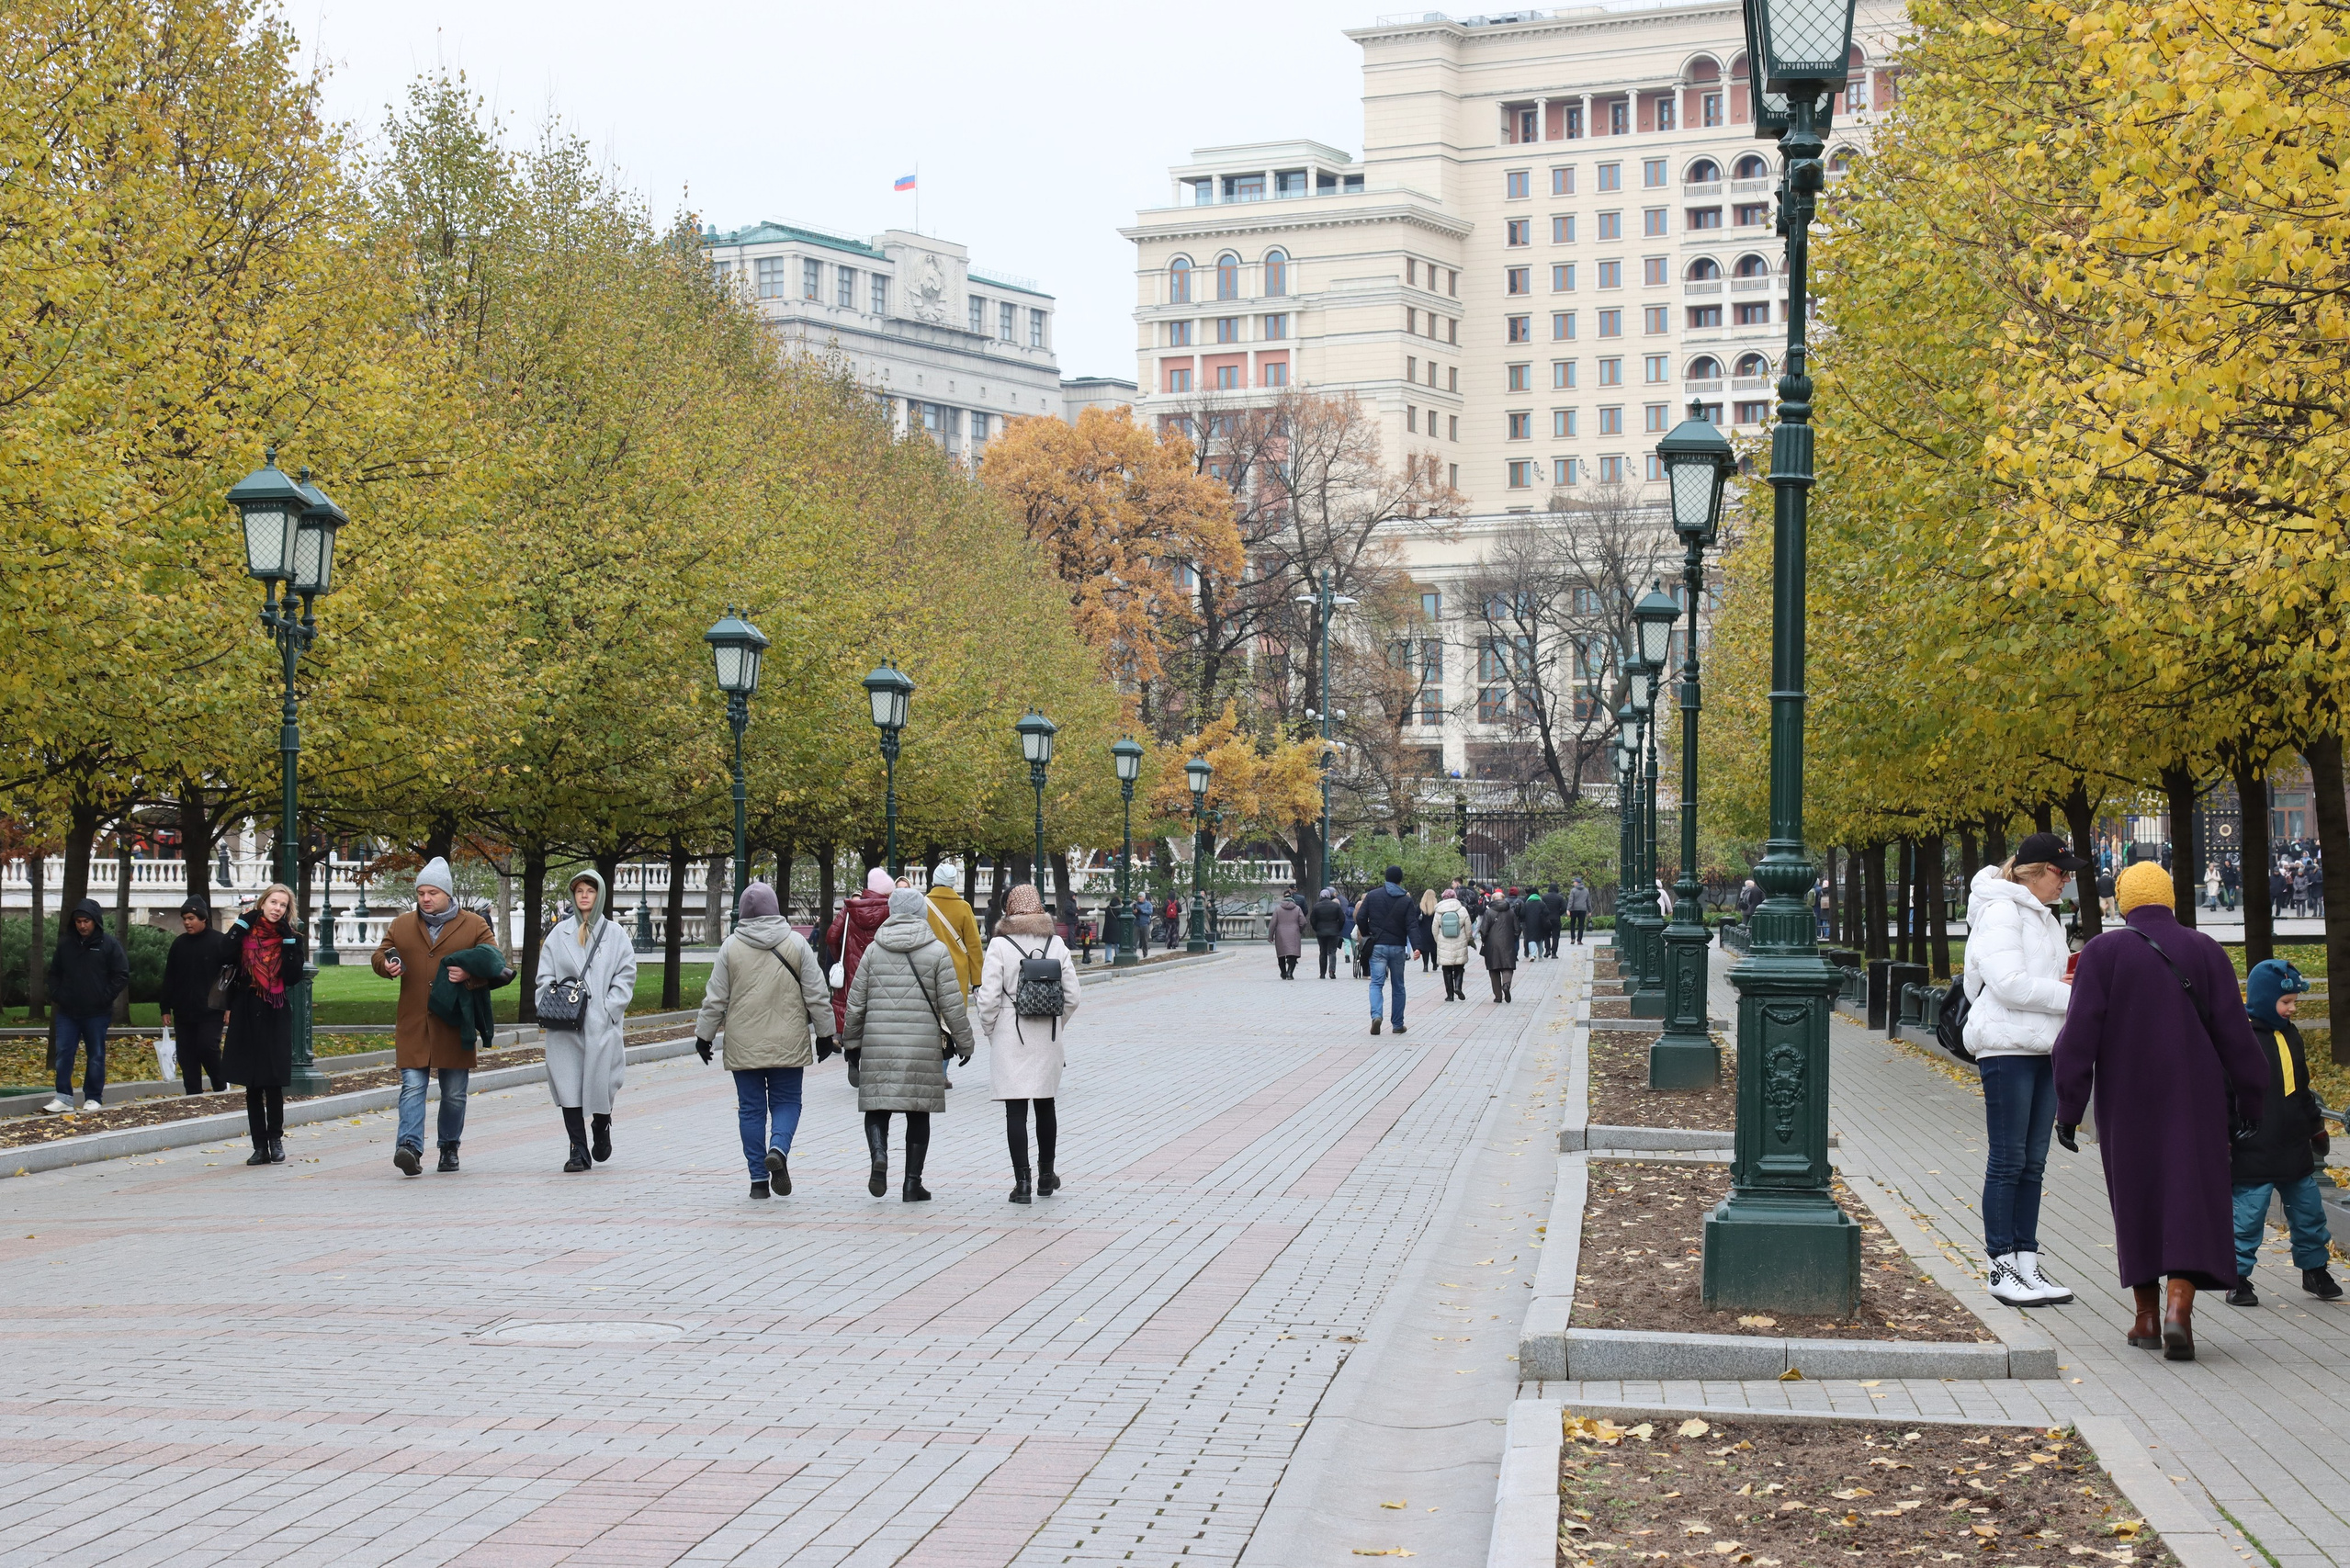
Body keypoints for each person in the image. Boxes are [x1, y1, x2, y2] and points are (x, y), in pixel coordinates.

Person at [2054, 861, 2269, 1362]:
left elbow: (2076, 1037)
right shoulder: (2205, 950)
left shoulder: (2101, 953)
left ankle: (2145, 1317)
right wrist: (2252, 1100)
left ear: (2124, 902)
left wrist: (2069, 1107)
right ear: (2170, 898)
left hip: (2126, 1103)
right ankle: (2179, 1308)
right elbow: (2237, 1036)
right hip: (2197, 1102)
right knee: (2190, 1198)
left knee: (2137, 1199)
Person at [1960, 836, 2080, 1308]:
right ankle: (2000, 1266)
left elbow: (2037, 980)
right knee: (2008, 1160)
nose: (2066, 882)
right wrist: (2073, 995)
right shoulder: (2001, 911)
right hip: (2007, 1047)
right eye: (2061, 873)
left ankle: (2026, 1262)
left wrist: (2063, 982)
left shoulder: (2041, 916)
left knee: (2033, 1162)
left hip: (2042, 1047)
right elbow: (2007, 984)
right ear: (2034, 870)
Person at [695, 881, 833, 1200]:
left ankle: (758, 1180)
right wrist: (826, 1034)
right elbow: (816, 993)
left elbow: (715, 998)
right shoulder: (796, 945)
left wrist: (704, 1036)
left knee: (751, 1110)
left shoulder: (730, 946)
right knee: (787, 1102)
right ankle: (779, 1149)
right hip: (788, 1040)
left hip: (744, 1042)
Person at [842, 886, 975, 1201]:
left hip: (879, 1045)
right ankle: (912, 1184)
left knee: (877, 1107)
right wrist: (965, 1043)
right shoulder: (937, 951)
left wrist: (851, 1041)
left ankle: (879, 1155)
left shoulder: (874, 951)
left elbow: (856, 1003)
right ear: (921, 913)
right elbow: (952, 1005)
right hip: (921, 1047)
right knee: (918, 1113)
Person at [372, 857, 500, 1176]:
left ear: (447, 893)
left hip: (456, 1022)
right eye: (421, 893)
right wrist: (386, 965)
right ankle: (410, 1148)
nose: (426, 899)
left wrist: (469, 975)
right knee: (413, 1086)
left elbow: (495, 963)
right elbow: (381, 953)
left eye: (433, 893)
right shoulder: (402, 924)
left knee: (454, 1092)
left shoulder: (474, 924)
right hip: (414, 1022)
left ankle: (449, 1148)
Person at [2224, 960, 2342, 1305]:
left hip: (2293, 1144)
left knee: (2309, 1213)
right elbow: (2224, 1092)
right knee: (2247, 1218)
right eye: (2286, 1002)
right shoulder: (2239, 1039)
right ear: (2263, 999)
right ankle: (2237, 1277)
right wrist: (2226, 1135)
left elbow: (2301, 1088)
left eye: (2294, 1002)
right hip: (2253, 1145)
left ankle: (2315, 1270)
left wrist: (2315, 1127)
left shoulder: (2291, 1036)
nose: (2292, 1009)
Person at [975, 883, 1079, 1203]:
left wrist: (991, 1030)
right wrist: (1056, 1025)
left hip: (1010, 1032)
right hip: (1047, 1034)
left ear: (1009, 909)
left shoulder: (999, 945)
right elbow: (1073, 995)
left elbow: (989, 998)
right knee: (1046, 1104)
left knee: (1015, 1110)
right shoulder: (1056, 943)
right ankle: (1047, 1177)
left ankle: (1022, 1185)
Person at [537, 870, 637, 1173]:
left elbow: (626, 974)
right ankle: (578, 1150)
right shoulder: (558, 935)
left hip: (600, 1025)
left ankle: (602, 1124)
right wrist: (551, 1001)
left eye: (590, 890)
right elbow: (544, 977)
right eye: (579, 890)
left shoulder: (615, 934)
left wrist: (609, 1010)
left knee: (603, 1084)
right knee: (568, 1085)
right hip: (565, 1025)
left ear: (600, 895)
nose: (583, 895)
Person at [221, 885, 306, 1165]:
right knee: (252, 1083)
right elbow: (223, 953)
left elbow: (293, 977)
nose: (277, 908)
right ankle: (259, 1146)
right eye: (273, 902)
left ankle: (275, 1140)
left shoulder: (289, 937)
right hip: (246, 1010)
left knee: (272, 1082)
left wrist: (289, 944)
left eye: (283, 905)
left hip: (274, 1010)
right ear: (263, 903)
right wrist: (241, 922)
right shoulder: (245, 932)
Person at [43, 897, 127, 1113]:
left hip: (97, 1012)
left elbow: (121, 974)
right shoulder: (66, 945)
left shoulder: (109, 945)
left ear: (95, 921)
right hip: (68, 1012)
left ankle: (93, 1097)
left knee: (96, 1055)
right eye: (79, 921)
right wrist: (58, 994)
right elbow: (54, 973)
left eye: (86, 921)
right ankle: (63, 1097)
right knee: (63, 1053)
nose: (82, 925)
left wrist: (104, 997)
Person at [827, 867, 896, 1080]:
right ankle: (877, 1065)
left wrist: (843, 956)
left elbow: (831, 936)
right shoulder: (891, 910)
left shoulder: (849, 910)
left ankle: (853, 1057)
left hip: (853, 971)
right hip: (882, 971)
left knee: (854, 1014)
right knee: (879, 1015)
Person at [159, 896, 232, 1095]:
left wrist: (229, 1006)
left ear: (203, 918)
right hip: (184, 1011)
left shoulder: (219, 942)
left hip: (211, 1010)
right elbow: (170, 977)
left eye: (191, 918)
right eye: (184, 918)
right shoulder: (179, 944)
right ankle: (192, 1094)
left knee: (208, 1047)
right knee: (187, 1055)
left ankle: (221, 1085)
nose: (186, 922)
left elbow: (229, 977)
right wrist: (165, 1007)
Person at [1354, 864, 1416, 1035]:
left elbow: (1360, 916)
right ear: (1400, 880)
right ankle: (1397, 1024)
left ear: (1386, 878)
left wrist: (1367, 934)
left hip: (1378, 946)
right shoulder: (1406, 899)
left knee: (1376, 983)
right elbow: (1412, 925)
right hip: (1397, 947)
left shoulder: (1373, 896)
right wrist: (1417, 947)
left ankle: (1376, 1016)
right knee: (1398, 986)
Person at [925, 864, 986, 994]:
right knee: (955, 1011)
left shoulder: (922, 905)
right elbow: (974, 945)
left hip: (927, 967)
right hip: (957, 968)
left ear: (934, 880)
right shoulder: (963, 907)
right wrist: (977, 980)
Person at [1478, 886, 1522, 1003]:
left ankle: (1498, 996)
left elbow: (1483, 929)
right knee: (1507, 966)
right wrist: (1513, 938)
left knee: (1494, 969)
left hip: (1492, 944)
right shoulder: (1511, 912)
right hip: (1507, 942)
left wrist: (1485, 939)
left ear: (1493, 900)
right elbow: (1517, 929)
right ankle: (1506, 985)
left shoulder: (1489, 912)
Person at [1432, 884, 1474, 1000]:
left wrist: (1438, 941)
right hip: (1459, 940)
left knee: (1447, 970)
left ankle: (1449, 996)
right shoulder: (1462, 909)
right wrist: (1467, 939)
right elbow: (1468, 927)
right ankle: (1458, 987)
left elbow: (1434, 929)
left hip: (1443, 941)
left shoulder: (1439, 911)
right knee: (1459, 967)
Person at [1268, 887, 1306, 979]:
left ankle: (1283, 973)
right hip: (1294, 933)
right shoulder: (1297, 909)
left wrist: (1270, 936)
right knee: (1293, 954)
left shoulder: (1278, 909)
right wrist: (1299, 929)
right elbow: (1303, 922)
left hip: (1280, 934)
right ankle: (1290, 973)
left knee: (1281, 954)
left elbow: (1272, 924)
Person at [1309, 886, 1347, 979]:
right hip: (1334, 932)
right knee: (1332, 952)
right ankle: (1332, 971)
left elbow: (1312, 920)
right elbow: (1342, 919)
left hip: (1321, 932)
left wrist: (1317, 928)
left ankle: (1322, 973)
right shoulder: (1336, 905)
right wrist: (1338, 928)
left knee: (1323, 952)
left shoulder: (1316, 906)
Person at [1566, 877, 1592, 946]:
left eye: (1574, 882)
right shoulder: (1586, 890)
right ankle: (1579, 940)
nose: (1573, 883)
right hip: (1583, 909)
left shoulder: (1573, 890)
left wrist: (1568, 909)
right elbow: (1588, 902)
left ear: (1577, 883)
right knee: (1581, 925)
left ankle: (1573, 938)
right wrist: (1590, 911)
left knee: (1572, 924)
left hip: (1574, 909)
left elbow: (1571, 901)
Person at [1132, 891, 1153, 958]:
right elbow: (1131, 912)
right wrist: (1134, 911)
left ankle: (1145, 954)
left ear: (1144, 897)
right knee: (1134, 940)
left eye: (1140, 896)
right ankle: (1133, 953)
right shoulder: (1135, 904)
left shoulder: (1148, 904)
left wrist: (1141, 911)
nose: (1139, 898)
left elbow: (1150, 912)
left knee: (1145, 940)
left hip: (1145, 924)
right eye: (1138, 896)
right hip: (1137, 923)